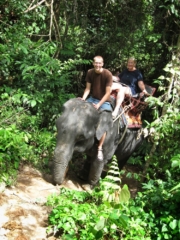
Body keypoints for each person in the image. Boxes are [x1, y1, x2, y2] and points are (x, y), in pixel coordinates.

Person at [81, 56, 113, 161]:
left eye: (99, 63)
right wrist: (83, 99)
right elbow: (87, 88)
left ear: (102, 64)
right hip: (92, 98)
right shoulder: (90, 72)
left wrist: (99, 105)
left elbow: (108, 93)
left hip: (104, 101)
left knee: (104, 121)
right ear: (93, 63)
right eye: (96, 63)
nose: (97, 65)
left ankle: (99, 147)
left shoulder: (107, 74)